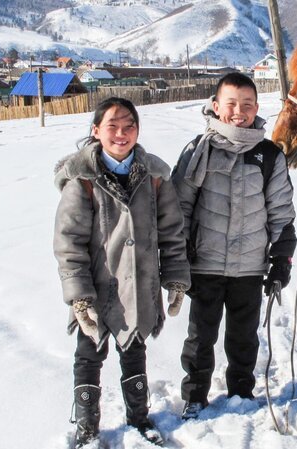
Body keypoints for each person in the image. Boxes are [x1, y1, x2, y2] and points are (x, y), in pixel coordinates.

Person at [53, 97, 190, 447]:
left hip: (139, 286)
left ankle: (139, 418)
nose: (121, 132)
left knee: (134, 351)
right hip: (95, 288)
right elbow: (69, 242)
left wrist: (175, 278)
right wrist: (80, 298)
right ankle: (86, 428)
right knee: (88, 355)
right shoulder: (82, 179)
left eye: (129, 125)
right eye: (112, 125)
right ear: (96, 131)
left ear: (138, 130)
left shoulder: (156, 177)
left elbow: (172, 234)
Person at [171, 73, 297, 420]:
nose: (238, 112)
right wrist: (178, 257)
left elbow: (281, 212)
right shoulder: (199, 150)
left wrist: (281, 259)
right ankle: (195, 395)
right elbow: (179, 208)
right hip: (205, 265)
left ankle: (241, 390)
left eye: (246, 104)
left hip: (249, 266)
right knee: (200, 336)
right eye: (230, 104)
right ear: (216, 106)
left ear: (257, 108)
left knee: (244, 337)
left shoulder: (269, 154)